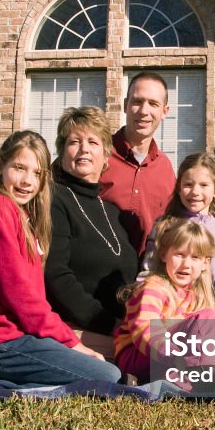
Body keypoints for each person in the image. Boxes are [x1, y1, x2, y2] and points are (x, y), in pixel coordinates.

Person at [0, 130, 122, 387]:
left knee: (107, 364)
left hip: (20, 336)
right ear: (1, 166)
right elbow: (19, 295)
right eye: (19, 168)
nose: (27, 181)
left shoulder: (23, 215)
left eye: (37, 173)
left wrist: (65, 339)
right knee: (106, 376)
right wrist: (72, 344)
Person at [45, 107, 139, 352]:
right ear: (62, 152)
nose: (84, 148)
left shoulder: (113, 212)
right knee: (151, 359)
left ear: (106, 156)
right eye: (74, 142)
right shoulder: (54, 199)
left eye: (93, 142)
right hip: (79, 328)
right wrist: (110, 324)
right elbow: (55, 275)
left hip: (123, 327)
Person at [113, 219, 215, 384]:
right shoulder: (153, 288)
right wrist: (174, 355)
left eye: (195, 257)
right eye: (179, 255)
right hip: (139, 355)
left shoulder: (199, 296)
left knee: (211, 317)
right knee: (206, 319)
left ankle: (210, 378)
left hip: (175, 359)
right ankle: (198, 382)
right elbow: (144, 329)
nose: (186, 264)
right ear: (163, 254)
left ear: (205, 263)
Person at [100, 72, 175, 254]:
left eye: (153, 104)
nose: (144, 111)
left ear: (165, 111)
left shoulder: (166, 169)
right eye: (137, 102)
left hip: (147, 276)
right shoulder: (97, 154)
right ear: (125, 105)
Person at [139, 152, 215, 286]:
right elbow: (148, 270)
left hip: (208, 304)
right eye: (188, 185)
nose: (195, 191)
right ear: (179, 188)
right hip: (169, 302)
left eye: (204, 185)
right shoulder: (165, 226)